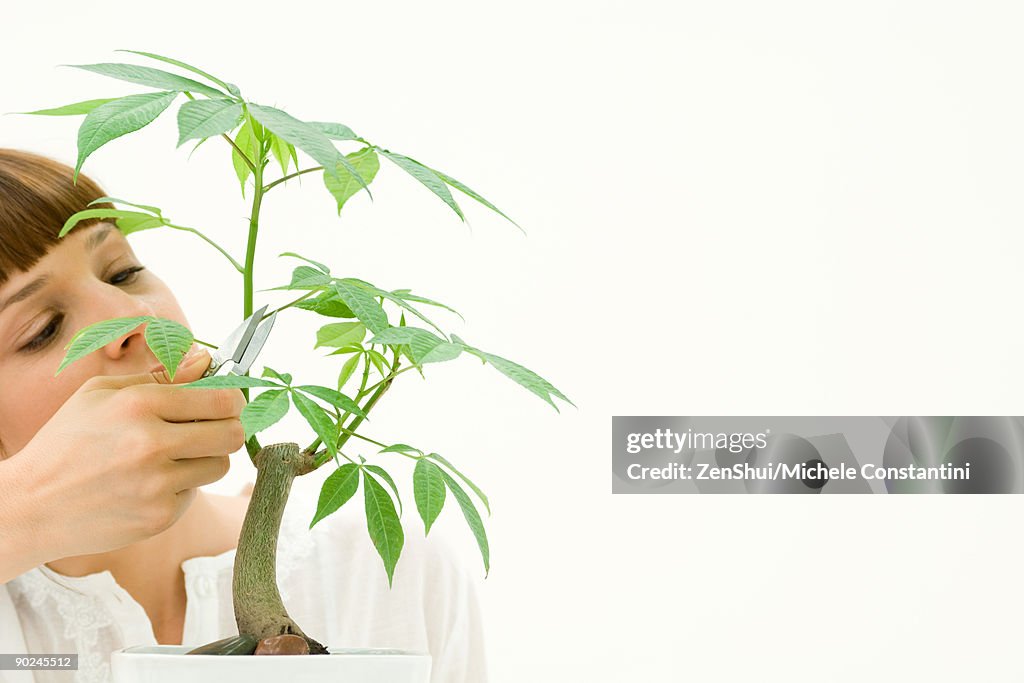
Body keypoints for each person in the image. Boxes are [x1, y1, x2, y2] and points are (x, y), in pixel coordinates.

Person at [0, 149, 488, 683]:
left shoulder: (379, 571)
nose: (135, 315)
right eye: (42, 329)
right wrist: (22, 513)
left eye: (123, 272)